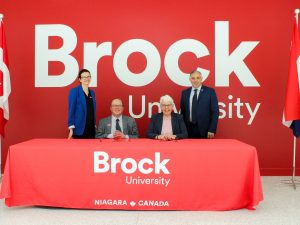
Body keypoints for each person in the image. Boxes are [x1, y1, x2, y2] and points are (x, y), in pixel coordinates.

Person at [180, 70, 219, 139]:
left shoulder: (210, 92)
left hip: (205, 130)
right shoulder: (185, 93)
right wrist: (182, 130)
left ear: (201, 79)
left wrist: (212, 129)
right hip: (188, 130)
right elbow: (183, 112)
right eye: (193, 78)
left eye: (198, 78)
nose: (195, 80)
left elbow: (215, 112)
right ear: (190, 79)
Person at [68, 69, 96, 139]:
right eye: (84, 77)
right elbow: (71, 109)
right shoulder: (74, 91)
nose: (87, 79)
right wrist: (71, 128)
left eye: (88, 76)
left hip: (91, 129)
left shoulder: (92, 92)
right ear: (80, 79)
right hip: (79, 129)